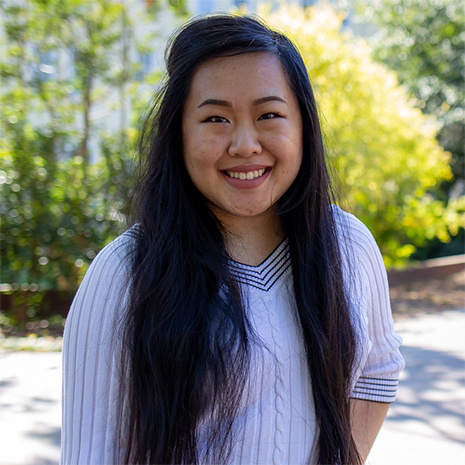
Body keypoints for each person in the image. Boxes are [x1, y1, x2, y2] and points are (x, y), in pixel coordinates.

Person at [61, 14, 405, 465]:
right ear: (179, 134)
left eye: (269, 115)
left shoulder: (348, 245)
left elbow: (377, 371)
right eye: (216, 118)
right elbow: (93, 453)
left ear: (303, 127)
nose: (245, 144)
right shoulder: (126, 270)